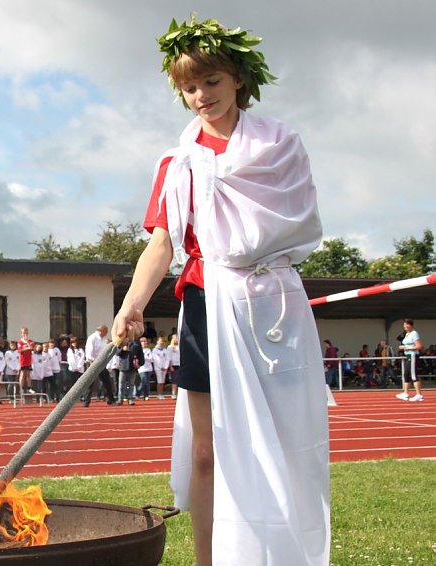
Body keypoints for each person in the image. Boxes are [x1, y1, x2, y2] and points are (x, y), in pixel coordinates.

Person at [111, 16, 329, 565]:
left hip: (270, 305)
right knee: (207, 451)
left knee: (278, 442)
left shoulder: (279, 145)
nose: (201, 95)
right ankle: (209, 561)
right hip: (206, 305)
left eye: (211, 81)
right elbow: (161, 245)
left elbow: (295, 222)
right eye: (189, 86)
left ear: (237, 79)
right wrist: (132, 305)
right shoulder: (176, 163)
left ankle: (284, 552)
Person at [83, 325, 116, 406]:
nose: (107, 333)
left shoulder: (104, 340)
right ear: (102, 331)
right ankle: (86, 402)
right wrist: (91, 361)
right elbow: (89, 350)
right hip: (92, 362)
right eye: (106, 331)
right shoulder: (92, 338)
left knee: (107, 382)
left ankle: (110, 400)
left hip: (101, 362)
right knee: (90, 383)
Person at [396, 318, 424, 402]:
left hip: (413, 355)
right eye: (404, 324)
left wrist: (406, 347)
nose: (405, 326)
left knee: (413, 375)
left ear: (411, 325)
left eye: (407, 324)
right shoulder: (407, 334)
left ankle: (419, 394)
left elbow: (419, 346)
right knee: (406, 374)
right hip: (407, 356)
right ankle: (405, 393)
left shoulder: (414, 333)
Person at [117, 338, 144, 405]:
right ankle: (120, 399)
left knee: (131, 383)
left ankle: (130, 398)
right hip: (123, 365)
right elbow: (116, 352)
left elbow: (140, 353)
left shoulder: (136, 341)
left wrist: (141, 363)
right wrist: (122, 349)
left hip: (133, 366)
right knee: (121, 383)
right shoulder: (121, 339)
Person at [151, 336, 171, 400]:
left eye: (162, 341)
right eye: (160, 341)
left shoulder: (165, 350)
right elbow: (155, 359)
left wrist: (165, 367)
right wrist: (161, 367)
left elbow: (168, 359)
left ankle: (162, 394)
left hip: (164, 368)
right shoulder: (154, 350)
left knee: (162, 381)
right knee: (159, 381)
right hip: (158, 368)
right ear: (157, 342)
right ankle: (159, 394)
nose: (161, 342)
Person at [16, 327, 35, 395]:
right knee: (22, 374)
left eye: (26, 333)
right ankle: (20, 388)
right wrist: (27, 348)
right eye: (23, 333)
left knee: (28, 374)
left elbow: (32, 348)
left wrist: (27, 342)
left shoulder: (30, 341)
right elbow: (19, 350)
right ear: (21, 334)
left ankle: (29, 388)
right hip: (23, 360)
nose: (25, 334)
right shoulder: (20, 342)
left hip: (29, 360)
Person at [167, 334, 181, 399]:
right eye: (175, 338)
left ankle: (179, 394)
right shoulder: (170, 347)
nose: (176, 339)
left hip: (180, 365)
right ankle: (173, 393)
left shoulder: (179, 346)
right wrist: (170, 366)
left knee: (179, 380)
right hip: (174, 365)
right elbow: (169, 357)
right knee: (174, 381)